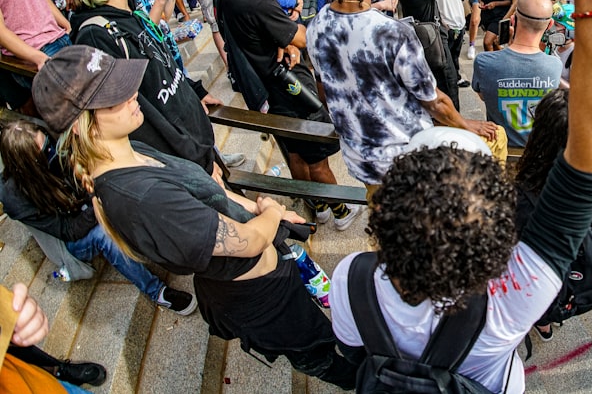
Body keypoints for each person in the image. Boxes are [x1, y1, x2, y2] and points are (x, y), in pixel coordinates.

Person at [326, 0, 592, 394]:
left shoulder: (352, 281)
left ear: (385, 217)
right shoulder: (516, 300)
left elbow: (353, 354)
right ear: (497, 238)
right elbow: (591, 147)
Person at [29, 45, 353, 384]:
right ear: (82, 125)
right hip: (260, 297)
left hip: (268, 271)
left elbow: (207, 189)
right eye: (112, 96)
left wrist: (258, 208)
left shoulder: (130, 148)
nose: (131, 94)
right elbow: (247, 241)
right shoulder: (141, 198)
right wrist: (270, 212)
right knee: (318, 353)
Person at [307, 0, 497, 193]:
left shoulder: (317, 24)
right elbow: (433, 101)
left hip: (362, 160)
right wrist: (466, 124)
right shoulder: (390, 32)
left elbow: (325, 90)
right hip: (406, 165)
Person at [213, 0, 357, 227]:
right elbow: (304, 37)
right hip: (292, 87)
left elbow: (264, 37)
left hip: (270, 91)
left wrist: (283, 40)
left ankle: (317, 205)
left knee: (295, 151)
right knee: (317, 156)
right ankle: (341, 212)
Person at [67, 0, 222, 173]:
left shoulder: (129, 9)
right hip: (183, 165)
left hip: (198, 149)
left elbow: (161, 62)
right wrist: (195, 168)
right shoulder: (96, 36)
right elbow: (141, 123)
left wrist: (194, 92)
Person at [0, 116, 194, 314]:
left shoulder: (53, 148)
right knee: (104, 234)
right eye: (44, 153)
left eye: (48, 144)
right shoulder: (17, 199)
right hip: (70, 236)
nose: (52, 152)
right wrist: (98, 204)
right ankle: (157, 291)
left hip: (81, 202)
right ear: (29, 166)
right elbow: (68, 230)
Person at [514, 88, 592, 341]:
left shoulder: (523, 191)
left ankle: (543, 325)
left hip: (537, 278)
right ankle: (551, 321)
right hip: (573, 274)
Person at [472, 0, 563, 148]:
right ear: (549, 25)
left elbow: (484, 96)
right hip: (536, 152)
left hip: (500, 148)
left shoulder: (484, 61)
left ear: (513, 20)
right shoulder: (554, 65)